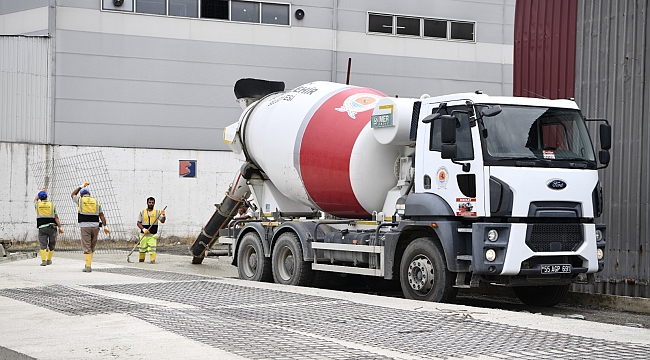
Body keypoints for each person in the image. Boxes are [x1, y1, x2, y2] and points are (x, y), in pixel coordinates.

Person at [71, 182, 109, 272]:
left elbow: (73, 194)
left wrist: (81, 186)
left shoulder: (80, 200)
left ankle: (88, 266)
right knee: (92, 245)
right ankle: (88, 263)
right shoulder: (96, 202)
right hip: (96, 226)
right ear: (89, 194)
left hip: (85, 227)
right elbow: (102, 215)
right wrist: (105, 226)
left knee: (86, 246)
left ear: (81, 194)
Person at [34, 189, 63, 266]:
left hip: (42, 227)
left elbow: (35, 199)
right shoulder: (52, 205)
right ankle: (49, 260)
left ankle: (43, 260)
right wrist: (60, 227)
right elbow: (56, 217)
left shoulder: (37, 205)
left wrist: (40, 191)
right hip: (52, 227)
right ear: (47, 197)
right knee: (52, 243)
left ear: (40, 198)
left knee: (43, 244)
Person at [137, 197, 166, 264]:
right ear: (147, 203)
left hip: (152, 235)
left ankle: (152, 261)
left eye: (152, 203)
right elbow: (138, 223)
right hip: (143, 235)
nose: (151, 204)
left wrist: (163, 215)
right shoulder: (142, 212)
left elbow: (162, 221)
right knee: (142, 249)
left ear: (154, 203)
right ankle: (141, 261)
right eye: (150, 202)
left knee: (152, 249)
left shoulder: (157, 212)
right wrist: (143, 229)